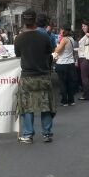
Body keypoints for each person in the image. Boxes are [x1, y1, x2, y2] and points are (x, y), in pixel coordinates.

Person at [14, 9, 55, 144]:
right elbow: (50, 52)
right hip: (43, 75)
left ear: (24, 22)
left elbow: (18, 54)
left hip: (27, 76)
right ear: (35, 20)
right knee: (46, 105)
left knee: (26, 106)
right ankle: (47, 133)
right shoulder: (44, 37)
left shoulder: (19, 38)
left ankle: (28, 134)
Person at [52, 27, 78, 106]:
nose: (60, 32)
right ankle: (71, 100)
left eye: (61, 31)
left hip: (63, 63)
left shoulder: (64, 39)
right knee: (70, 82)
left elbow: (57, 50)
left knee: (62, 82)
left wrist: (57, 45)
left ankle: (64, 101)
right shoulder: (71, 39)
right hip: (70, 63)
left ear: (64, 31)